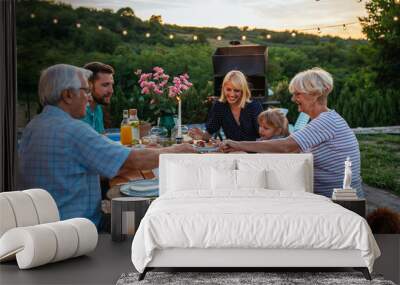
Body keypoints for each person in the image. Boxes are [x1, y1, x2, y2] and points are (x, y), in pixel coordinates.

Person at [18, 64, 195, 228]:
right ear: (67, 95)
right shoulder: (72, 129)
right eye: (85, 91)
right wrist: (178, 151)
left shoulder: (34, 126)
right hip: (77, 228)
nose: (88, 98)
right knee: (152, 221)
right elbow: (133, 160)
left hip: (42, 226)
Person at [220, 67, 363, 198]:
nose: (293, 99)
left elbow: (287, 146)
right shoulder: (325, 119)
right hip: (331, 194)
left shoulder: (326, 122)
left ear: (315, 94)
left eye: (297, 94)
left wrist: (238, 145)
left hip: (337, 200)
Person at [188, 70, 263, 141]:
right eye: (228, 89)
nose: (232, 94)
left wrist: (239, 147)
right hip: (231, 151)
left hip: (253, 151)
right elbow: (210, 132)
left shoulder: (254, 107)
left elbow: (263, 137)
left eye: (236, 90)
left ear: (243, 91)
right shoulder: (219, 106)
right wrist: (201, 135)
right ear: (223, 88)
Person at [81, 62, 114, 133]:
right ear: (88, 85)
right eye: (105, 85)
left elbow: (101, 138)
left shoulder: (98, 109)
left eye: (112, 85)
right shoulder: (77, 113)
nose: (111, 91)